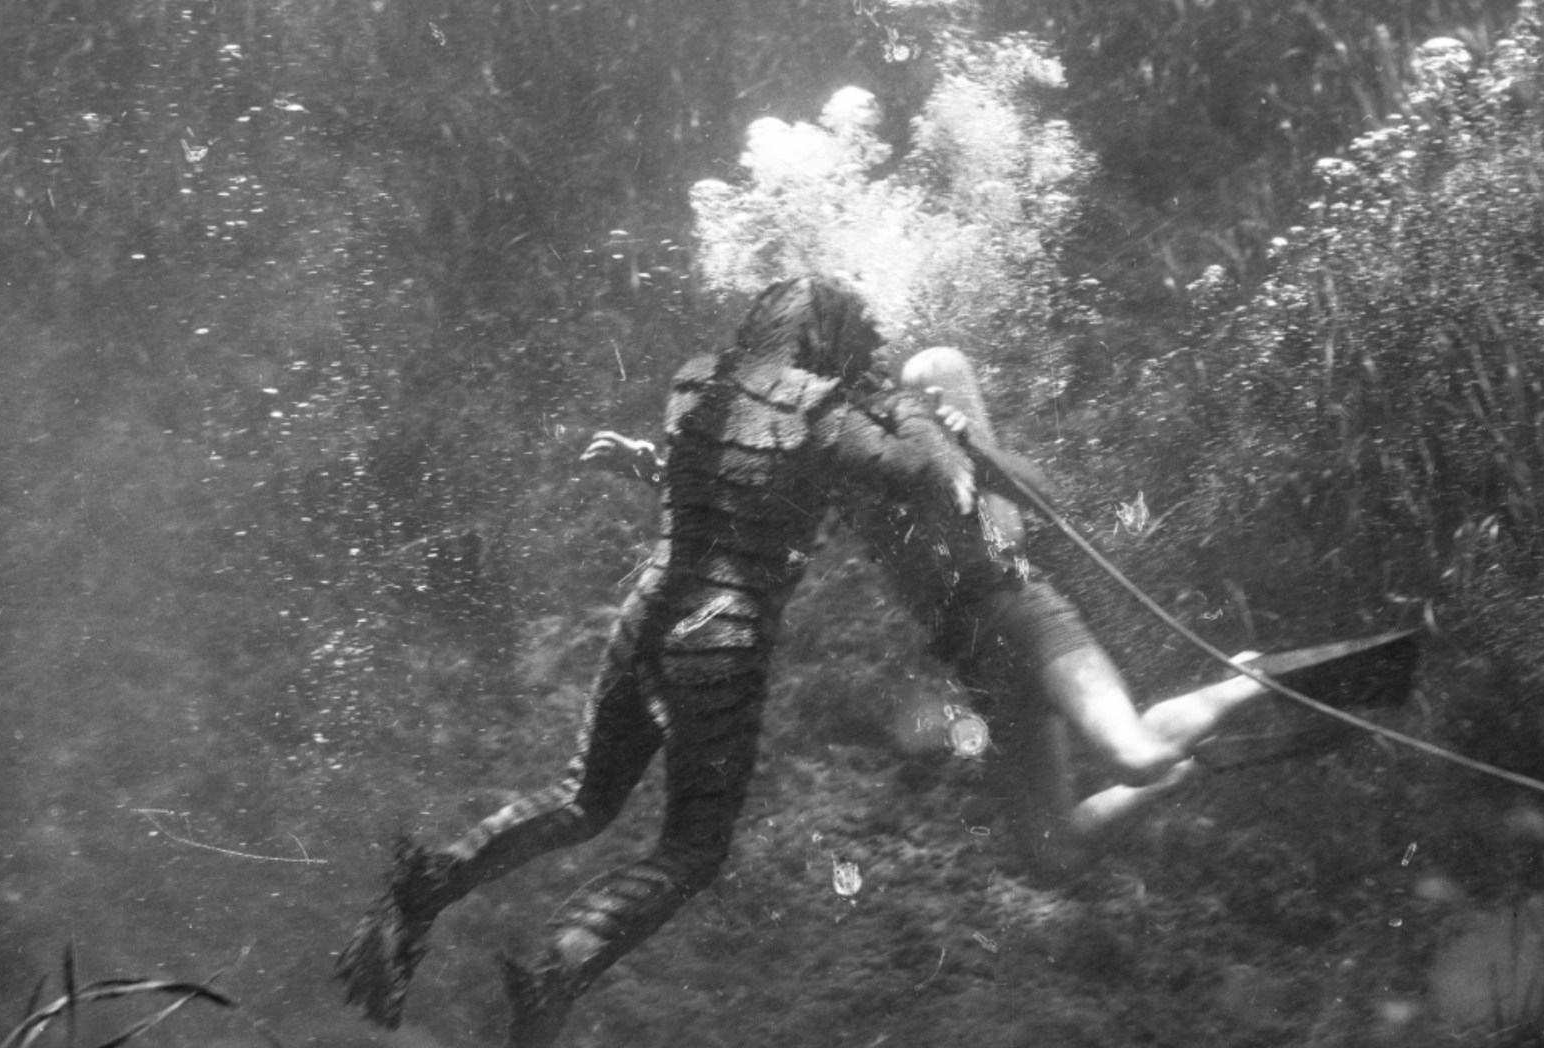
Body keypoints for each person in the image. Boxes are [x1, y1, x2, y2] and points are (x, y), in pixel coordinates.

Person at [336, 279, 975, 1047]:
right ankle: (557, 972)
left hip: (648, 614)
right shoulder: (820, 411)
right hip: (722, 640)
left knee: (582, 799)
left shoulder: (695, 377)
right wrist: (914, 412)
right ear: (824, 338)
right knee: (692, 848)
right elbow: (929, 477)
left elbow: (723, 472)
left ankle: (426, 886)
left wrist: (650, 463)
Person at [585, 346, 1284, 869]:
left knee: (1131, 754)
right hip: (976, 658)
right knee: (1053, 852)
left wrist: (968, 444)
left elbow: (1028, 502)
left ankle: (1249, 679)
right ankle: (1193, 763)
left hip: (1023, 613)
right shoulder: (837, 459)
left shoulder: (922, 415)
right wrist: (656, 470)